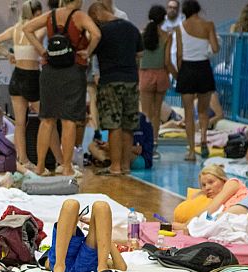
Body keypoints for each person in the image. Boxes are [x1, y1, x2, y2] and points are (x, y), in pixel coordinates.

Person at [23, 0, 102, 176]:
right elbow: (96, 34)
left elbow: (27, 28)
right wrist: (88, 52)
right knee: (69, 120)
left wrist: (42, 50)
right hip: (73, 70)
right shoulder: (79, 16)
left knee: (46, 119)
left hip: (50, 70)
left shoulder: (51, 15)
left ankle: (40, 166)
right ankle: (66, 167)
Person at [88, 2, 144, 176]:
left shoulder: (101, 32)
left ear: (96, 15)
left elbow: (91, 52)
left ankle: (115, 167)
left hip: (110, 81)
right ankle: (126, 166)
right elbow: (140, 55)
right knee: (128, 125)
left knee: (114, 124)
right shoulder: (131, 28)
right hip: (131, 80)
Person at [0, 0, 45, 165]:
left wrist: (8, 55)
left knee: (20, 123)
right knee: (47, 121)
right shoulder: (38, 29)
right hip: (31, 76)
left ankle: (23, 160)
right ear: (36, 14)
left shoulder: (15, 29)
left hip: (17, 77)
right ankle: (57, 160)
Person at [176, 0, 219, 161]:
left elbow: (179, 54)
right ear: (198, 10)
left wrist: (180, 73)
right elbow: (215, 48)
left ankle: (192, 151)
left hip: (187, 68)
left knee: (188, 113)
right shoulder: (208, 25)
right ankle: (203, 140)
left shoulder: (180, 27)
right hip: (203, 68)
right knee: (203, 110)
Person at [44, 199, 127, 272]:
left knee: (102, 206)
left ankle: (102, 269)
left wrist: (101, 232)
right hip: (62, 261)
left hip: (85, 265)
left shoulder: (101, 253)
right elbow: (47, 263)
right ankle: (59, 266)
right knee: (71, 204)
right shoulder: (58, 249)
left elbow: (122, 267)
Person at [140, 5, 178, 150]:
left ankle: (144, 141)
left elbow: (137, 57)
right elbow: (167, 61)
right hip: (161, 74)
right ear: (164, 19)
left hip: (145, 74)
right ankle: (155, 141)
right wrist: (176, 75)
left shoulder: (142, 34)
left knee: (145, 113)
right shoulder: (166, 36)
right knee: (157, 113)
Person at [172, 165, 248, 228]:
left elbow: (212, 208)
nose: (207, 187)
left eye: (211, 182)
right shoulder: (218, 205)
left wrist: (186, 225)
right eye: (203, 185)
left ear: (223, 180)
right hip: (243, 218)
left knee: (224, 218)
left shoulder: (232, 183)